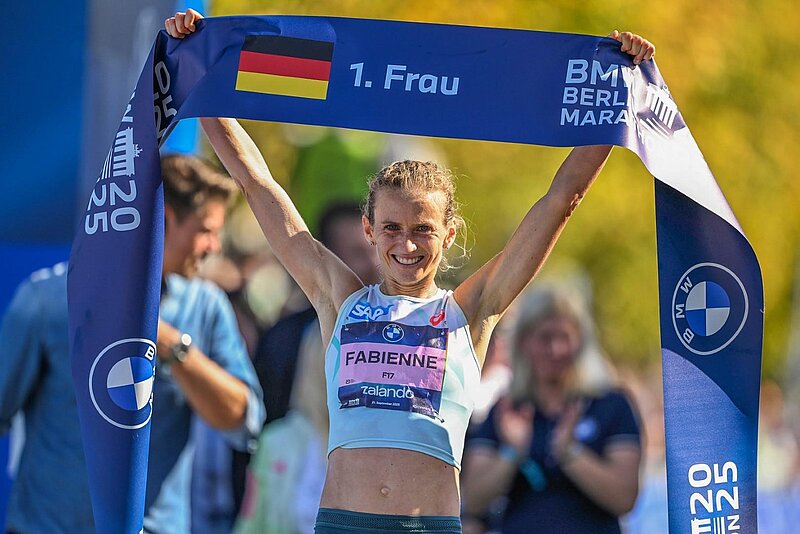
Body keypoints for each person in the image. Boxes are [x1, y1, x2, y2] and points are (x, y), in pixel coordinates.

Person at [167, 11, 654, 533]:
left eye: (422, 229)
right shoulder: (338, 297)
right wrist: (200, 72)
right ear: (369, 231)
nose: (406, 244)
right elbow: (256, 182)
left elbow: (561, 199)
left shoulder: (471, 311)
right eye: (392, 228)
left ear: (449, 233)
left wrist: (615, 95)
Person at [0, 154, 265, 534]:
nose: (214, 246)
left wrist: (169, 342)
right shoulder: (49, 299)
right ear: (164, 220)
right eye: (206, 230)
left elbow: (243, 418)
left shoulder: (206, 306)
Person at [231, 200, 379, 511]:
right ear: (327, 260)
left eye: (374, 249)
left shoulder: (415, 331)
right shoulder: (286, 340)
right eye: (356, 254)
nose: (372, 264)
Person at [460, 285, 642, 533]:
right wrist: (512, 452)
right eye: (545, 338)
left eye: (564, 338)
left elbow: (624, 499)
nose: (555, 349)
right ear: (524, 342)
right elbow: (474, 500)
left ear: (580, 342)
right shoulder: (507, 409)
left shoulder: (611, 404)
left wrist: (570, 453)